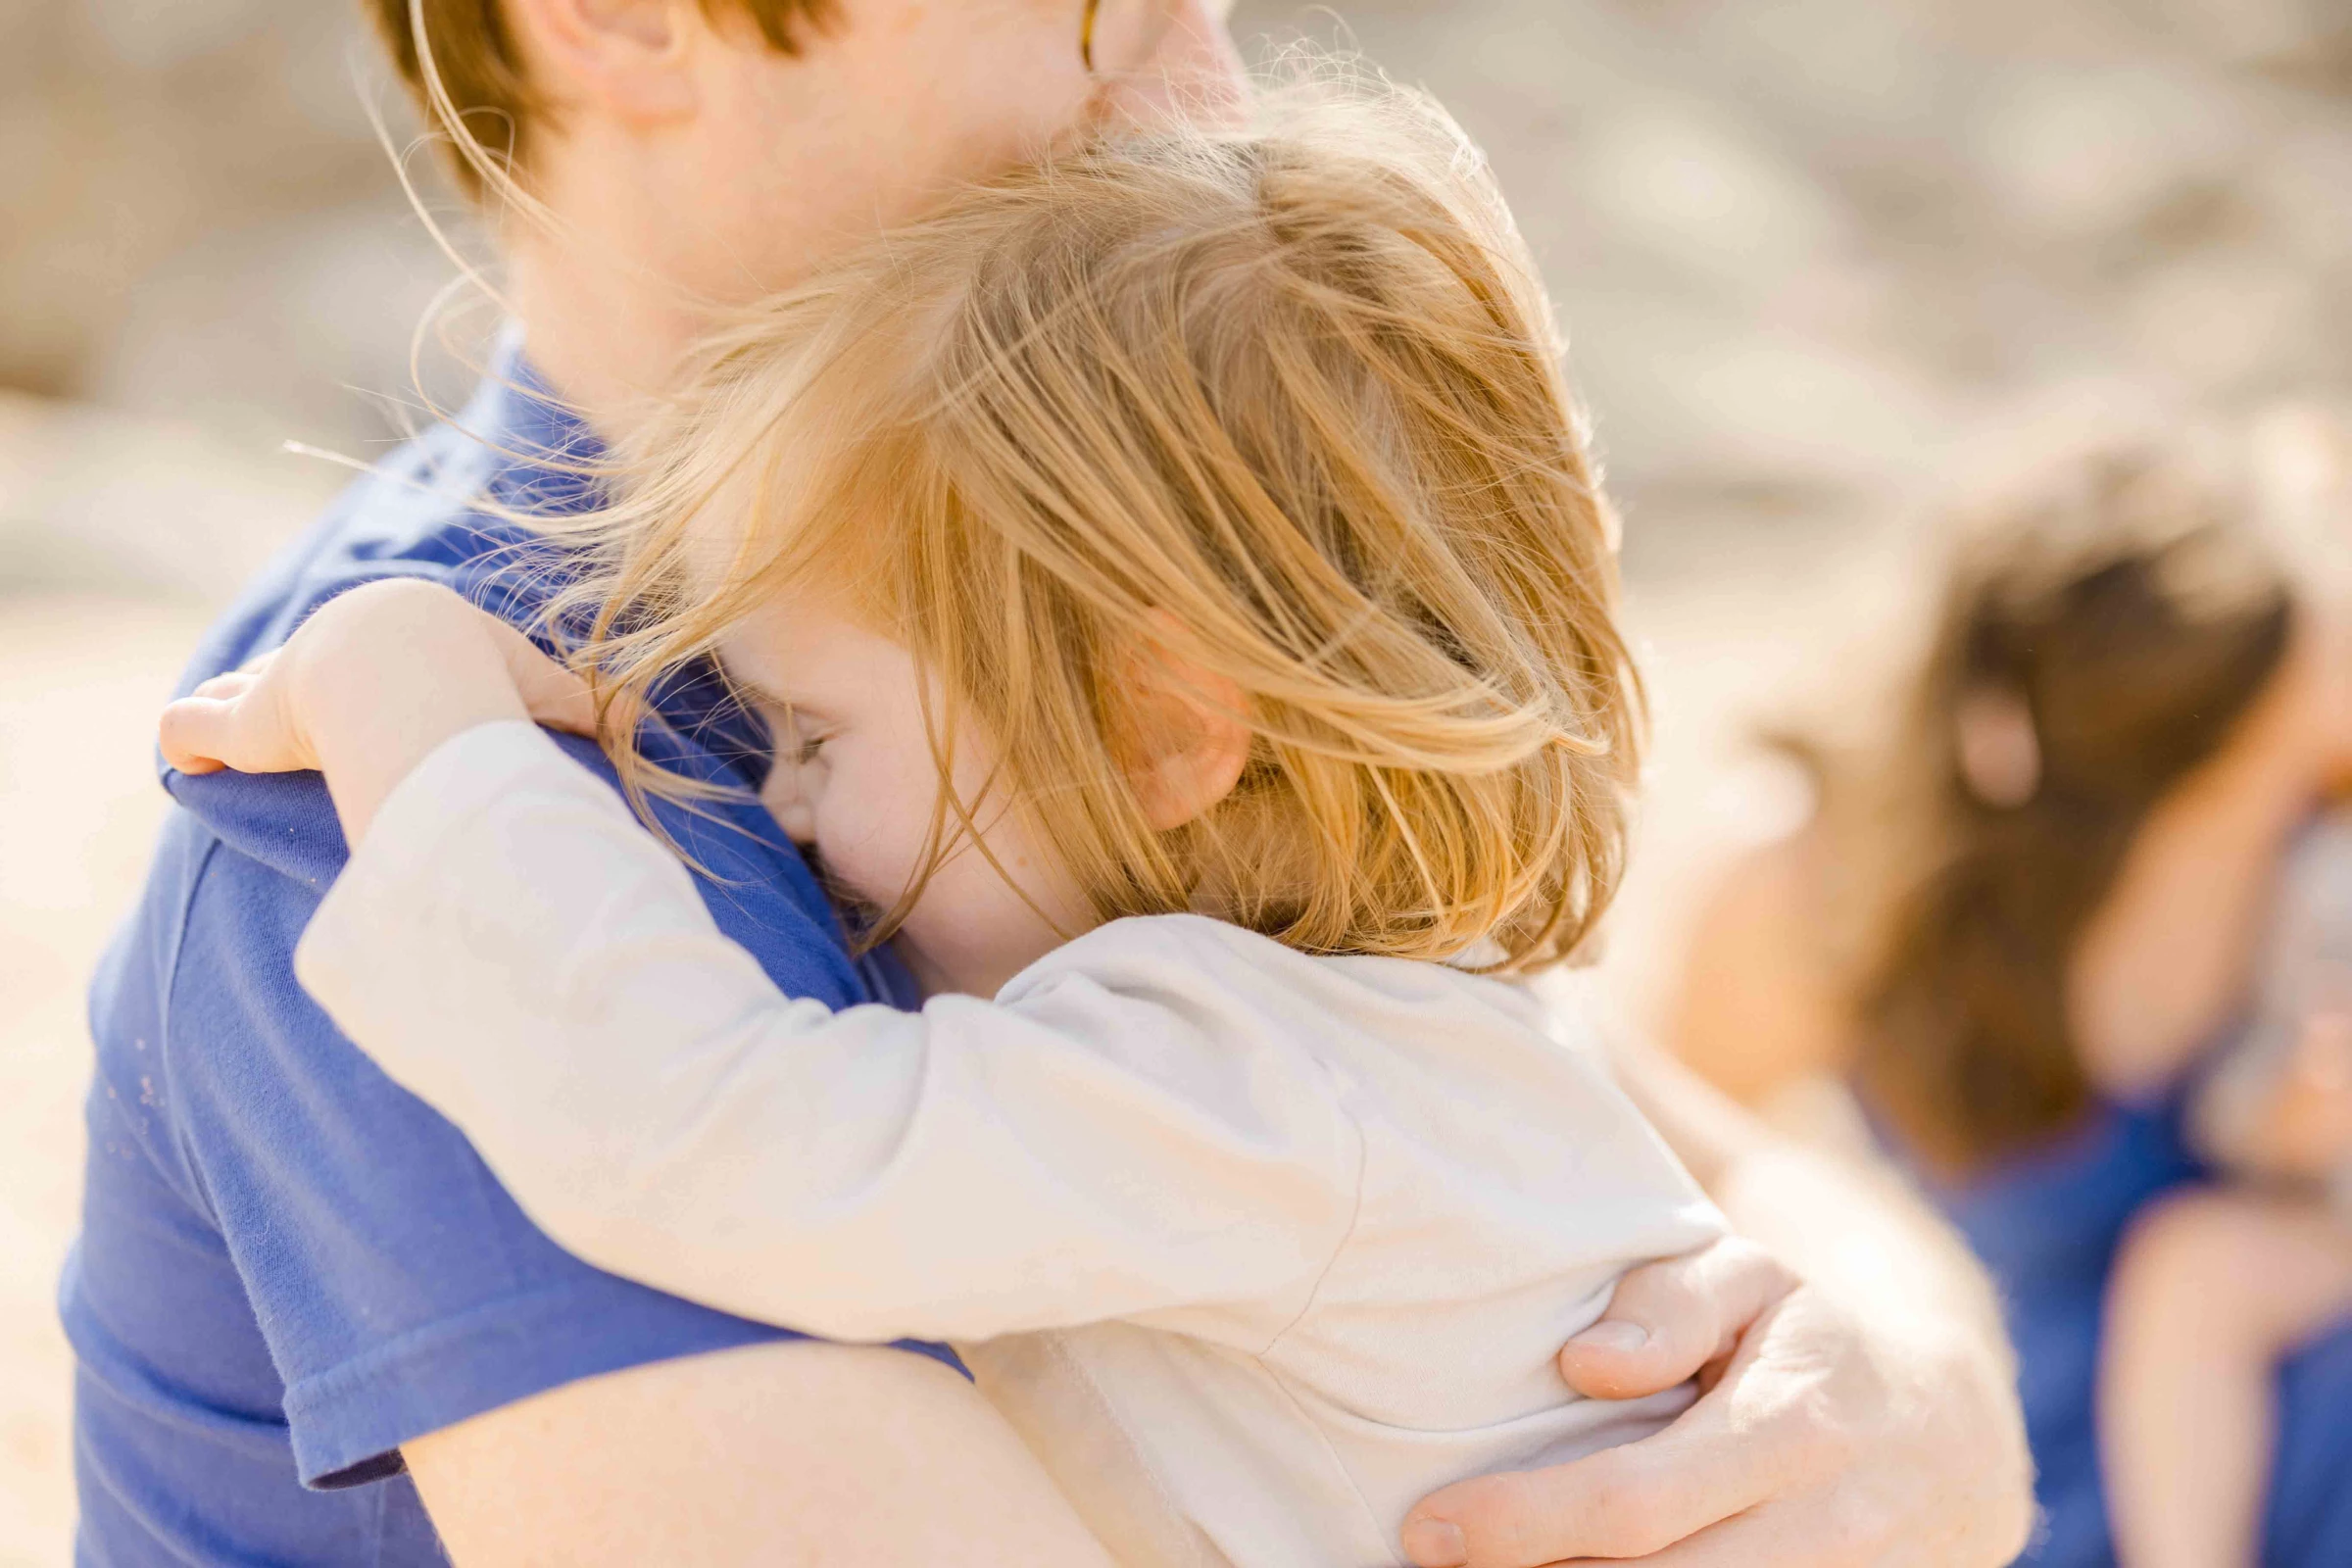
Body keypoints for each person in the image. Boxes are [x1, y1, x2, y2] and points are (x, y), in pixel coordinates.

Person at [67, 2, 2032, 1564]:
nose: (1206, 88)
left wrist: (1911, 1377)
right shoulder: (408, 809)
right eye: (1098, 6)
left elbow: (1630, 1116)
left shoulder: (1023, 633)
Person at [1672, 432, 2352, 1568]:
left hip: (2280, 1421)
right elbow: (1676, 1196)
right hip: (1992, 1468)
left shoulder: (2313, 823)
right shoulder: (1812, 888)